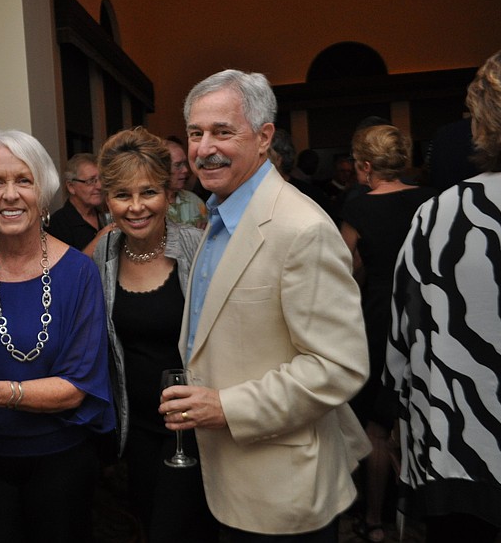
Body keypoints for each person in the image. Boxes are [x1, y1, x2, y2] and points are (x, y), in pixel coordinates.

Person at [159, 69, 371, 542]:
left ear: (264, 137)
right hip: (226, 476)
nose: (204, 147)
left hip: (281, 489)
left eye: (222, 131)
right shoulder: (219, 212)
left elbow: (337, 366)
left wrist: (225, 406)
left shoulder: (301, 229)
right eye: (196, 133)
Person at [0, 130, 115, 543]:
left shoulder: (78, 271)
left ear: (44, 191)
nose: (9, 195)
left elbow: (78, 386)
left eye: (23, 180)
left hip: (61, 459)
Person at [385, 49, 501, 543]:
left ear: (481, 121)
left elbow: (403, 334)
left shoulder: (441, 214)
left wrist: (396, 418)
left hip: (460, 453)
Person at [92, 127, 216, 542]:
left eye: (148, 192)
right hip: (137, 431)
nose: (136, 207)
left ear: (169, 194)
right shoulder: (101, 258)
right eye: (122, 195)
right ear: (107, 200)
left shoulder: (199, 249)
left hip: (197, 428)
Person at [339, 124, 438, 542]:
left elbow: (341, 269)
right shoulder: (428, 202)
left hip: (379, 314)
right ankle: (423, 511)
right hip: (424, 313)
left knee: (376, 426)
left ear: (364, 166)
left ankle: (375, 521)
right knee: (422, 411)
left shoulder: (358, 208)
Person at [47, 152, 106, 250]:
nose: (99, 186)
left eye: (101, 179)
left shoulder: (104, 215)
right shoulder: (57, 224)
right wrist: (100, 239)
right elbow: (66, 265)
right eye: (91, 181)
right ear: (71, 187)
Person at [165, 137, 208, 228]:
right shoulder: (150, 205)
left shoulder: (195, 201)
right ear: (160, 168)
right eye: (178, 165)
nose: (185, 170)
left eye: (185, 164)